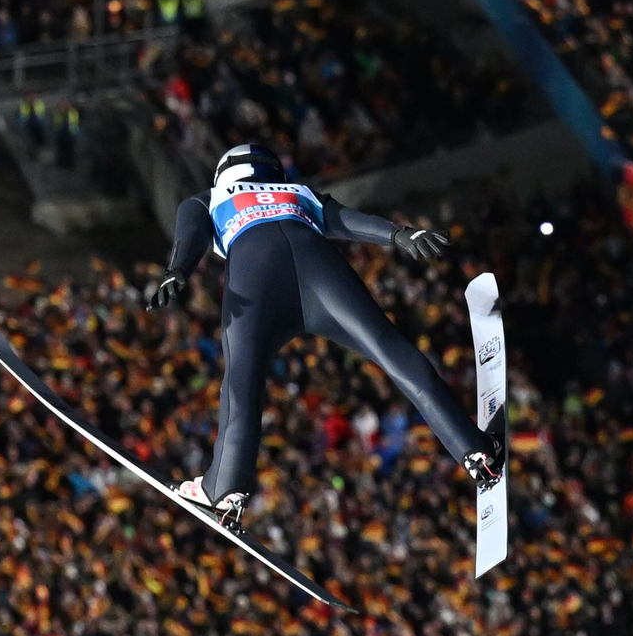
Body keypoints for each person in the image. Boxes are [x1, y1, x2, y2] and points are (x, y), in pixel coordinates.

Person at [146, 143, 504, 522]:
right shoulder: (297, 191)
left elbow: (190, 234)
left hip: (256, 277)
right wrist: (399, 234)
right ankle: (474, 449)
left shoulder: (209, 198)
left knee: (242, 382)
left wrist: (177, 270)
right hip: (319, 267)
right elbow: (347, 220)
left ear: (224, 173)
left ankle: (225, 487)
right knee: (388, 347)